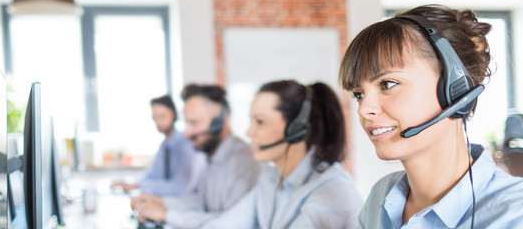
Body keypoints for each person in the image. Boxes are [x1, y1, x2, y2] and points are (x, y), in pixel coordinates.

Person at [339, 4, 523, 228]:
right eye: (359, 94)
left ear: (454, 88)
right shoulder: (382, 197)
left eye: (388, 84)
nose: (363, 109)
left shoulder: (514, 215)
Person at [201, 80, 363, 228]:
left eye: (260, 122)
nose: (249, 132)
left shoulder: (332, 189)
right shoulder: (271, 180)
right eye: (252, 121)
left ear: (296, 128)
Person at [131, 84, 261, 228]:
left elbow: (228, 222)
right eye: (186, 123)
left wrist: (165, 214)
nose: (187, 133)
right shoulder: (211, 155)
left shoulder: (245, 163)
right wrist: (161, 201)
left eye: (194, 123)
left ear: (221, 122)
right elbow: (201, 202)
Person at [112, 95, 205, 196]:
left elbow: (179, 187)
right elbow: (153, 174)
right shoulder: (164, 146)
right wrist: (131, 184)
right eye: (154, 118)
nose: (158, 122)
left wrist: (138, 186)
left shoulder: (186, 144)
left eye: (162, 116)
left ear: (173, 114)